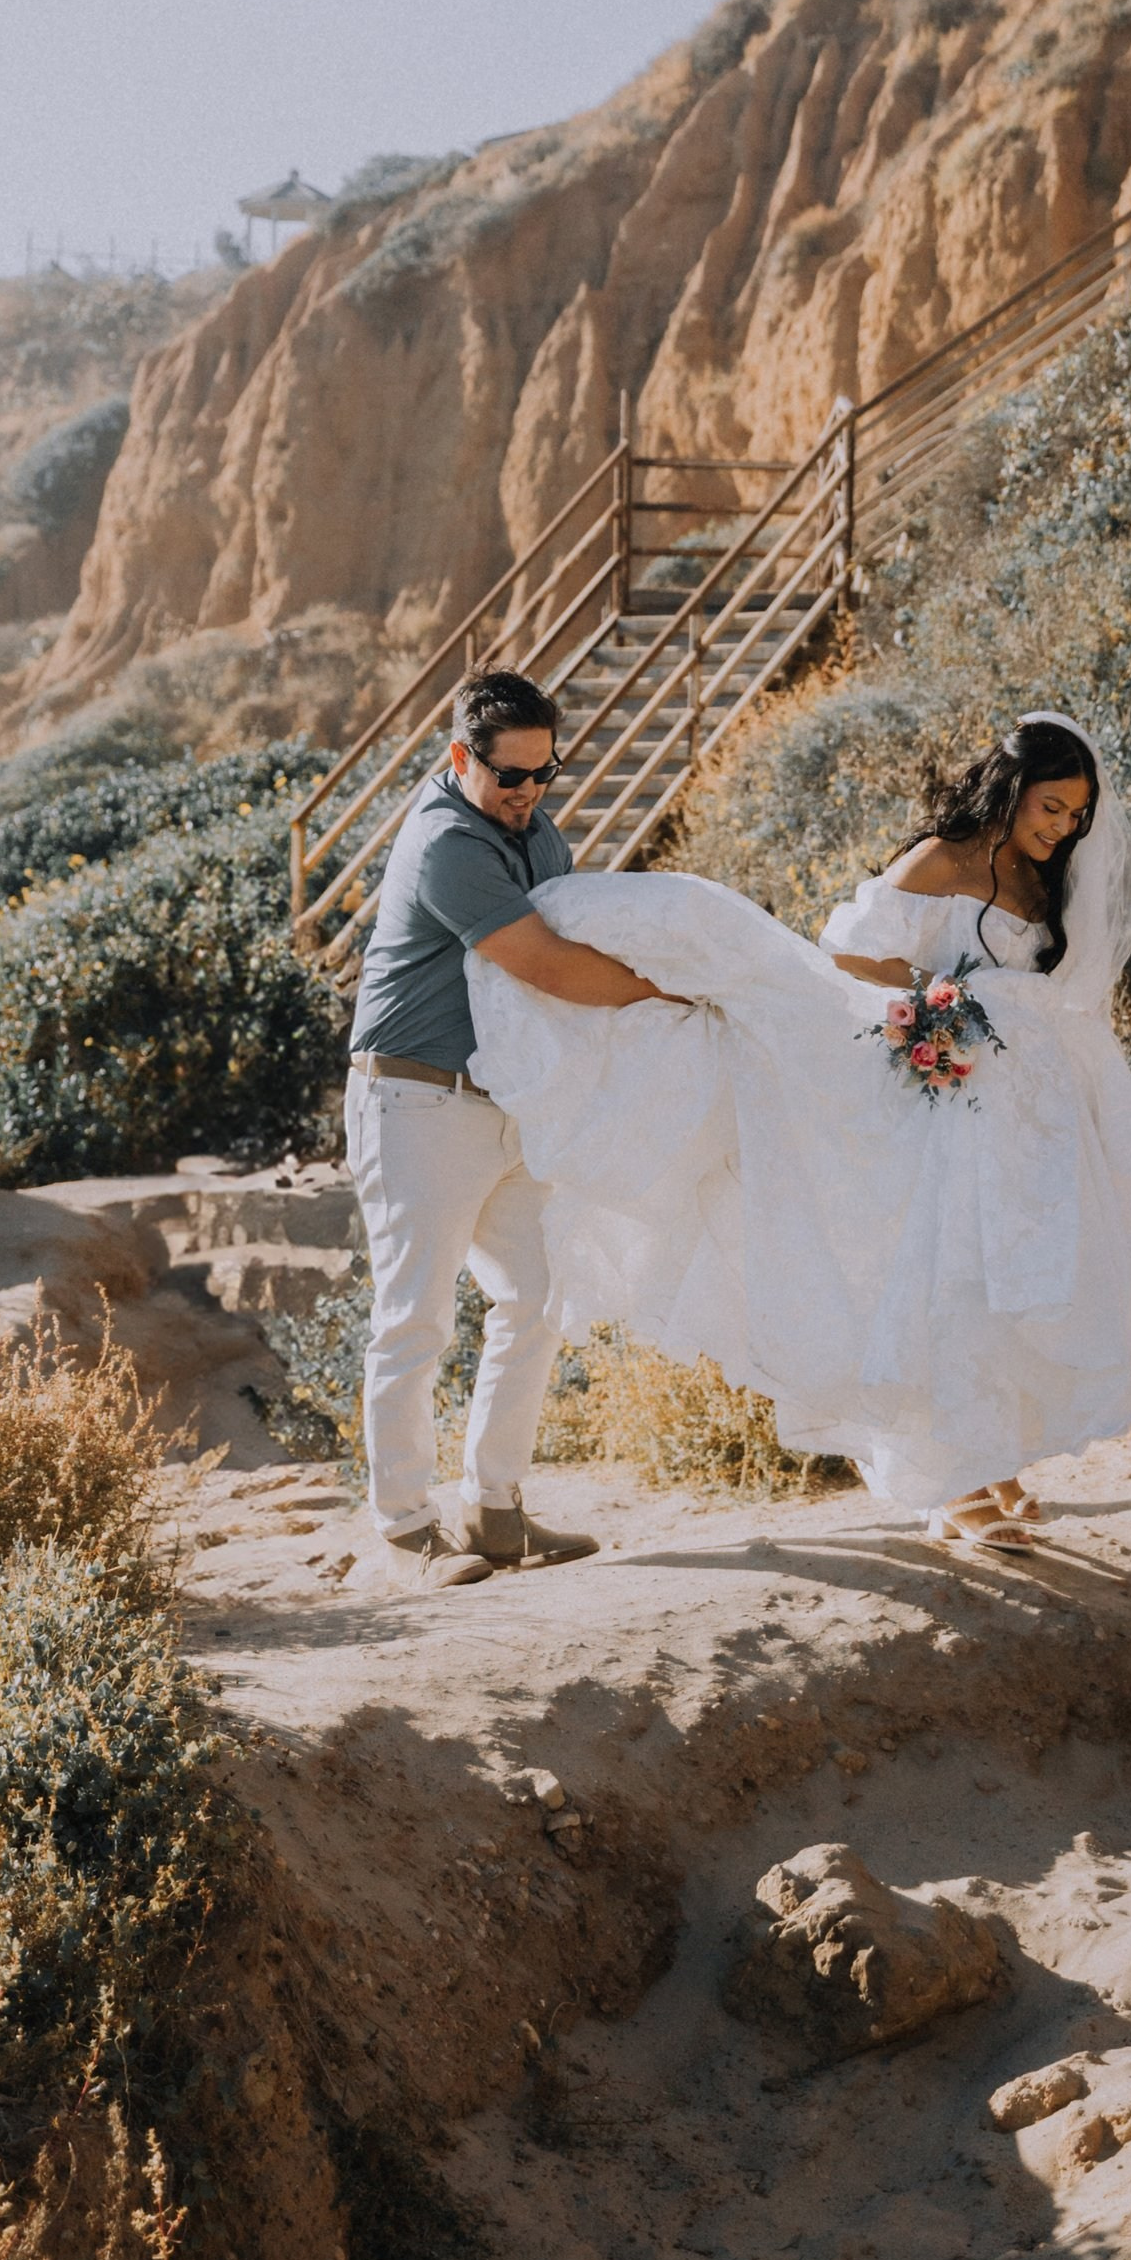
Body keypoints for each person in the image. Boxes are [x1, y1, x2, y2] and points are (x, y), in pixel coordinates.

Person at [462, 711, 1131, 1535]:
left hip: (1018, 1124)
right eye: (1051, 807)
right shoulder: (941, 859)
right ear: (1012, 791)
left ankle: (994, 1459)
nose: (1063, 827)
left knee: (1000, 1284)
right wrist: (941, 998)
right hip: (938, 1102)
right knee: (941, 1276)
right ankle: (951, 1482)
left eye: (1076, 814)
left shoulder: (1045, 881)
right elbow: (850, 952)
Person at [344, 666, 679, 1588]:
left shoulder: (533, 829)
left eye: (544, 771)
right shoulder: (446, 841)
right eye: (510, 775)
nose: (529, 791)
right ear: (462, 758)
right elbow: (546, 965)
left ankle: (494, 1510)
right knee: (414, 1318)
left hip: (503, 1102)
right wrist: (668, 993)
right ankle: (406, 1529)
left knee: (536, 1295)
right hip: (414, 1100)